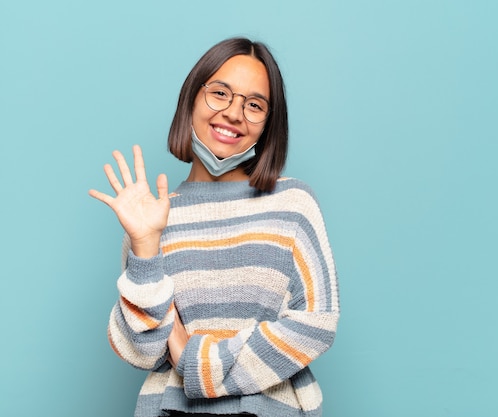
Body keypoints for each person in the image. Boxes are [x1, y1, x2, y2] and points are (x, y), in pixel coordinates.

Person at [89, 37, 340, 417]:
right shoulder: (153, 218)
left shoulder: (293, 205)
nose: (234, 113)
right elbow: (139, 350)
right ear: (192, 97)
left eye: (254, 105)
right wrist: (144, 248)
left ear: (268, 123)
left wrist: (196, 361)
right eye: (220, 93)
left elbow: (315, 324)